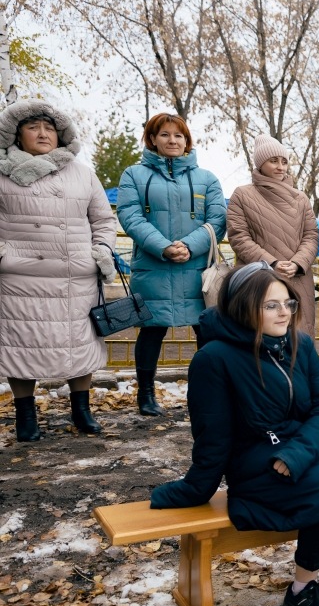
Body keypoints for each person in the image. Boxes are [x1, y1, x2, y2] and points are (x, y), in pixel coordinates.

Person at [150, 263, 319, 606]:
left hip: (304, 451)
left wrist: (299, 451)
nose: (284, 313)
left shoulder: (300, 344)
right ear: (244, 306)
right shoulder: (214, 359)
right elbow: (213, 438)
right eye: (270, 305)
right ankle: (300, 592)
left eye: (287, 304)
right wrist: (193, 490)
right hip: (258, 464)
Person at [0, 100, 117, 441]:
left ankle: (82, 411)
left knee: (78, 343)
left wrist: (102, 251)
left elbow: (103, 219)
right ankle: (26, 415)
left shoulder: (82, 173)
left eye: (49, 128)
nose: (43, 133)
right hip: (20, 278)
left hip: (74, 275)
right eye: (33, 127)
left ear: (61, 134)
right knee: (22, 345)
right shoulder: (2, 172)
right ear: (16, 134)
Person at [117, 113, 227, 417]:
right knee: (152, 330)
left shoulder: (207, 178)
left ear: (187, 140)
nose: (172, 141)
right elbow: (130, 216)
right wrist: (163, 247)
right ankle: (146, 393)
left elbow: (217, 220)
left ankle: (207, 392)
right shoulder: (133, 175)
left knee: (206, 332)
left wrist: (189, 247)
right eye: (164, 135)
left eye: (178, 135)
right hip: (154, 266)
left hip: (197, 270)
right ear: (152, 139)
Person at [227, 134, 319, 338]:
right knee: (258, 338)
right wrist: (271, 263)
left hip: (297, 277)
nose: (280, 167)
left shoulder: (301, 198)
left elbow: (311, 235)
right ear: (260, 164)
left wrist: (297, 263)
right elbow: (238, 237)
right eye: (273, 161)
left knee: (298, 338)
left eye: (284, 161)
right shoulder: (242, 194)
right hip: (258, 277)